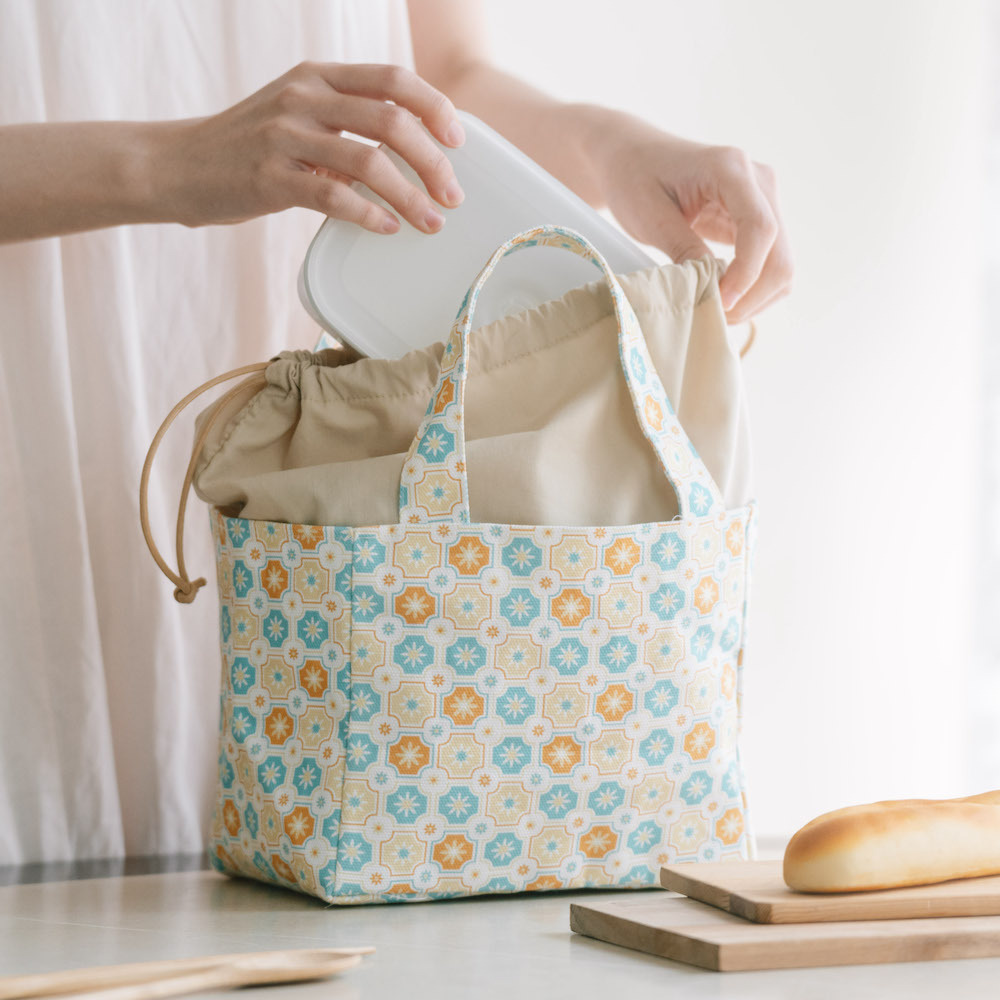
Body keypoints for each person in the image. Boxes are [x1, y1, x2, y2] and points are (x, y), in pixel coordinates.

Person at [0, 0, 792, 866]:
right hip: (40, 421)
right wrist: (168, 164)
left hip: (348, 418)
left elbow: (442, 81)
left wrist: (611, 143)